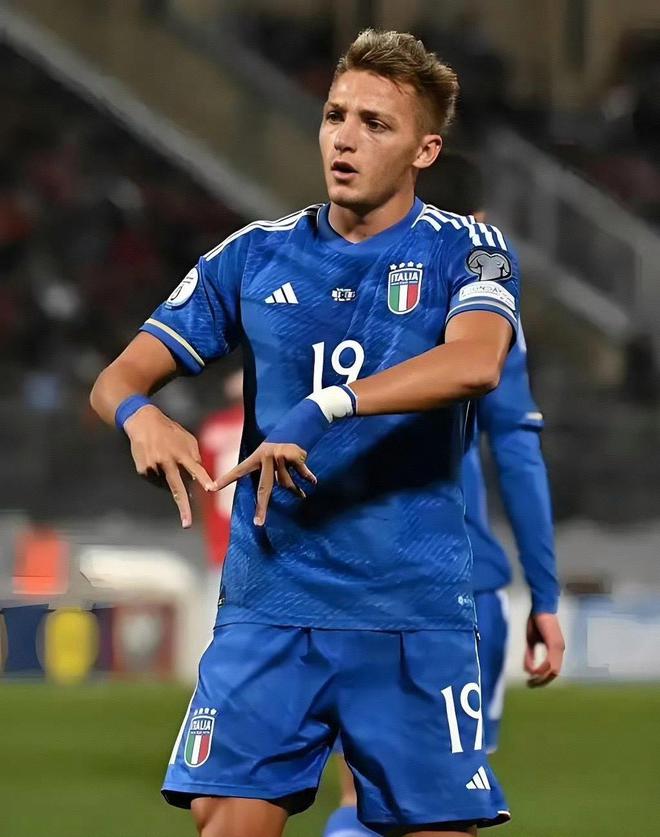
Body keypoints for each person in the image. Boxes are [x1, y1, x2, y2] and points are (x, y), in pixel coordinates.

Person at [91, 30, 564, 837]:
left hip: (411, 610)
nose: (345, 138)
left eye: (375, 124)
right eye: (335, 115)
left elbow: (477, 362)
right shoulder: (253, 255)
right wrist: (141, 417)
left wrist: (325, 407)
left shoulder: (469, 250)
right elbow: (117, 379)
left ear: (424, 150)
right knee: (225, 819)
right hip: (273, 603)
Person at [322, 154, 562, 837]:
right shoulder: (481, 303)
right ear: (476, 221)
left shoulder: (328, 284)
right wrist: (544, 595)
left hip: (340, 579)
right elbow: (516, 451)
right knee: (442, 813)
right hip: (453, 585)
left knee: (358, 798)